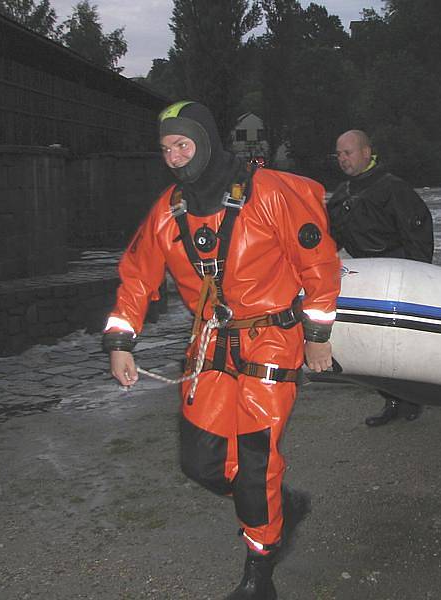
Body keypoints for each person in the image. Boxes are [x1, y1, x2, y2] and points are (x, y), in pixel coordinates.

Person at [102, 101, 341, 598]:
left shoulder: (271, 194)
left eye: (183, 145)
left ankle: (259, 573)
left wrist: (318, 337)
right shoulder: (169, 210)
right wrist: (121, 342)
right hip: (210, 342)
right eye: (166, 149)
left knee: (255, 462)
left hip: (272, 339)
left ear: (206, 142)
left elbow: (318, 265)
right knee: (202, 464)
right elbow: (137, 275)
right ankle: (278, 505)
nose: (174, 158)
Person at [327, 129, 434, 426]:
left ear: (366, 153)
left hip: (400, 273)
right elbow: (330, 239)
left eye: (347, 153)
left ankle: (412, 399)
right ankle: (392, 400)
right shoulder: (341, 195)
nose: (342, 159)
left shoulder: (393, 189)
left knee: (404, 344)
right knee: (377, 345)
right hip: (367, 275)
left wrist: (416, 276)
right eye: (338, 154)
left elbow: (419, 233)